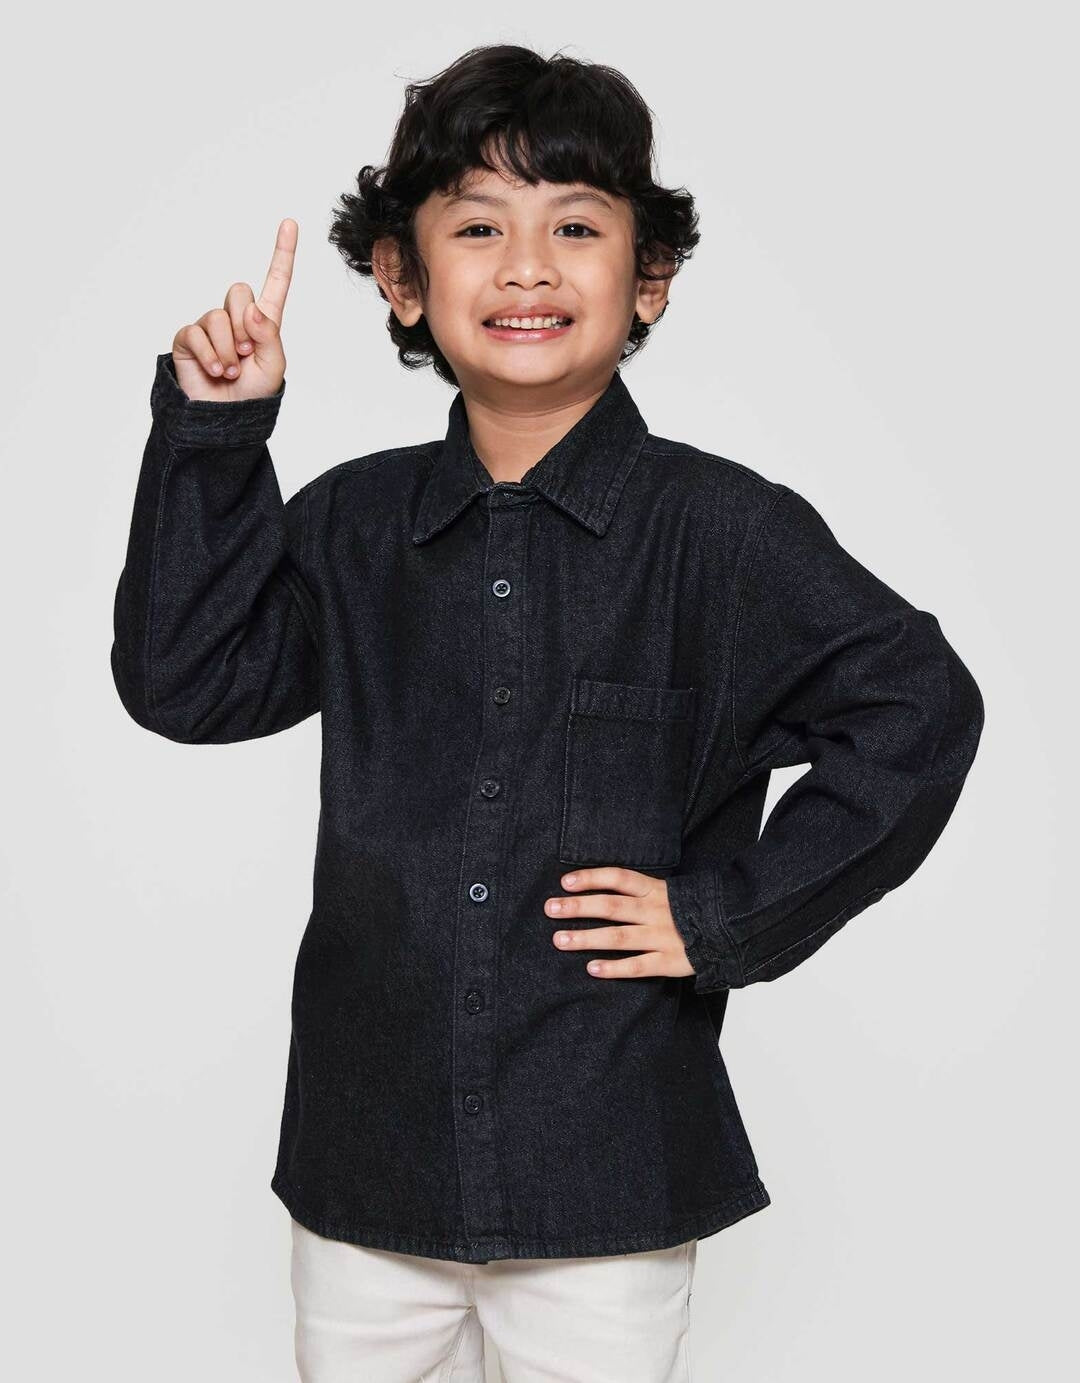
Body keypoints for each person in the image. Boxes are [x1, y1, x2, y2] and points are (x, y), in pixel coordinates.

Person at [110, 42, 985, 1383]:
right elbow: (187, 680)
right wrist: (216, 435)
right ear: (401, 278)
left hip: (606, 1171)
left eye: (575, 227)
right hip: (367, 1168)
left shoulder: (724, 533)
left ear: (650, 277)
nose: (527, 268)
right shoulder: (354, 524)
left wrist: (724, 916)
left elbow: (918, 707)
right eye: (477, 228)